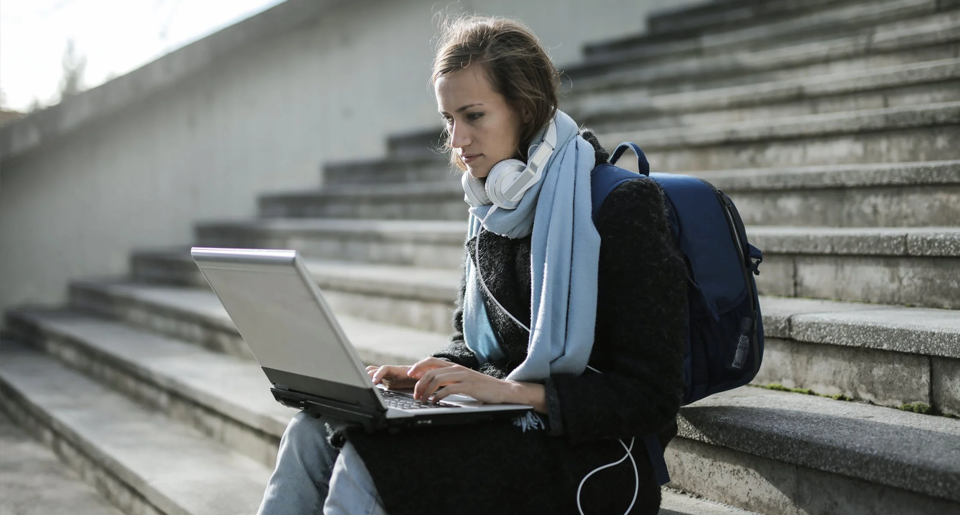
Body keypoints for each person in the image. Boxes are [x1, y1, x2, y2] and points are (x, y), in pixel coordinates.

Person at [257, 15, 687, 515]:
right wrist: (424, 376)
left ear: (525, 110)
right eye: (448, 119)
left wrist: (511, 391)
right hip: (502, 419)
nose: (457, 141)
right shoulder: (490, 210)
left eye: (474, 115)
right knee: (312, 429)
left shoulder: (621, 205)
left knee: (372, 460)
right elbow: (473, 345)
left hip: (596, 456)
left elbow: (652, 394)